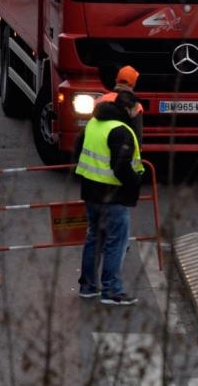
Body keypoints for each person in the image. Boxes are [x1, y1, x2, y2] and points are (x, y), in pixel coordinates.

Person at [74, 92, 145, 306]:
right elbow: (121, 166)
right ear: (128, 109)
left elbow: (78, 150)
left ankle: (87, 286)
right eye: (136, 110)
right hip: (113, 197)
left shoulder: (95, 123)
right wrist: (135, 182)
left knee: (94, 238)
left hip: (91, 192)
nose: (137, 114)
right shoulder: (121, 131)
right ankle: (111, 290)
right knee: (116, 243)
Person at [98, 65, 143, 137]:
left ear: (116, 81)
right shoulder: (135, 106)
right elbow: (137, 136)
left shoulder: (100, 99)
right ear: (134, 84)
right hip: (121, 146)